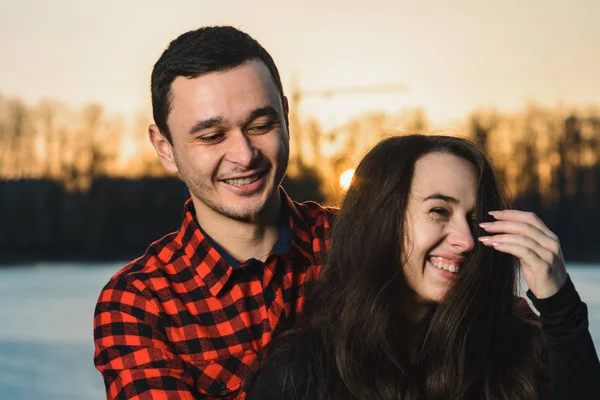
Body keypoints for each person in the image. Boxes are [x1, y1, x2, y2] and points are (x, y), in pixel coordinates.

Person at [244, 134, 600, 400]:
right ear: (380, 220)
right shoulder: (300, 373)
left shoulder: (513, 347)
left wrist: (559, 305)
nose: (466, 239)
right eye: (439, 211)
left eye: (475, 219)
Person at [93, 26, 336, 399]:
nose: (244, 155)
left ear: (286, 117)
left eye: (260, 126)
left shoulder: (353, 241)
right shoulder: (140, 303)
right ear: (165, 148)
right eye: (211, 136)